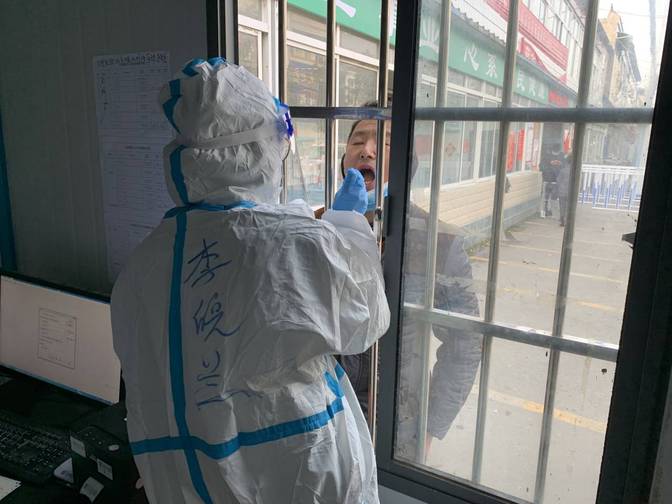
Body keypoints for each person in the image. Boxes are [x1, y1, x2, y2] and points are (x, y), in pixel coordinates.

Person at [111, 58, 390, 504]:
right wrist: (349, 224)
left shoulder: (142, 264)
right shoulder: (295, 243)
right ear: (257, 151)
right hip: (298, 480)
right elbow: (366, 315)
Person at [338, 113, 482, 462]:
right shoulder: (316, 228)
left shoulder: (438, 242)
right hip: (326, 411)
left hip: (395, 421)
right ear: (343, 159)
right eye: (357, 141)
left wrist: (430, 426)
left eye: (384, 142)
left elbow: (465, 340)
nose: (367, 150)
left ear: (407, 164)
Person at [539, 144, 564, 218]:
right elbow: (541, 167)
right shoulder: (548, 157)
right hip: (551, 180)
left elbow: (541, 167)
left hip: (550, 180)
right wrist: (551, 165)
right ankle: (547, 212)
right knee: (550, 198)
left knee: (548, 197)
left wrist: (560, 164)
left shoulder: (561, 156)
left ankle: (547, 212)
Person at [557, 151, 571, 226]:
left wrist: (560, 187)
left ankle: (562, 218)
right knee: (569, 206)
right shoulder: (575, 172)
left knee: (562, 205)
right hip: (571, 192)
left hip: (562, 191)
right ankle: (567, 219)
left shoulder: (563, 170)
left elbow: (558, 180)